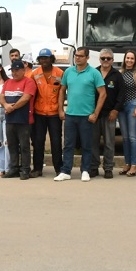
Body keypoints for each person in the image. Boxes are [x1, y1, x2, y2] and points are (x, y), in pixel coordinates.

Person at [54, 47, 106, 182]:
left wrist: (95, 113)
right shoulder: (68, 72)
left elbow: (103, 94)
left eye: (81, 56)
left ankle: (85, 170)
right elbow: (62, 91)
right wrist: (61, 110)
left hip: (86, 116)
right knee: (68, 145)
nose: (77, 58)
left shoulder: (94, 73)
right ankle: (66, 171)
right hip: (70, 115)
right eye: (76, 55)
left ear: (87, 57)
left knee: (87, 145)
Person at [31, 48, 64, 178]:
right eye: (41, 58)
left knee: (56, 142)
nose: (44, 60)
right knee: (38, 142)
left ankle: (59, 169)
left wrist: (61, 110)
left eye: (46, 58)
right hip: (39, 113)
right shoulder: (34, 74)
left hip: (54, 113)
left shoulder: (60, 73)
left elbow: (63, 93)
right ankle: (37, 169)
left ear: (51, 59)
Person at [1, 60, 36, 180]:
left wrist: (12, 107)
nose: (14, 73)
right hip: (10, 120)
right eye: (13, 70)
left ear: (23, 70)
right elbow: (1, 97)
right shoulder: (7, 82)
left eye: (17, 70)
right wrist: (6, 105)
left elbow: (26, 98)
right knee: (12, 145)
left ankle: (25, 169)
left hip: (24, 120)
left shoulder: (29, 82)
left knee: (24, 146)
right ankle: (14, 168)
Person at [92, 49, 124, 179]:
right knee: (93, 142)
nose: (106, 60)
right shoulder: (93, 72)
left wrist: (116, 110)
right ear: (99, 59)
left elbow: (121, 95)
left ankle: (108, 168)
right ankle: (93, 167)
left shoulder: (117, 75)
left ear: (113, 60)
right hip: (94, 114)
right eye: (103, 58)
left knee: (109, 143)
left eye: (108, 58)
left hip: (109, 114)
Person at [117, 50, 136, 177]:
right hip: (121, 107)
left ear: (135, 60)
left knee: (133, 137)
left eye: (132, 58)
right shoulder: (120, 72)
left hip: (133, 105)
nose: (129, 60)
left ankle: (134, 165)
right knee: (125, 137)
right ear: (124, 59)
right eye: (127, 58)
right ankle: (127, 163)